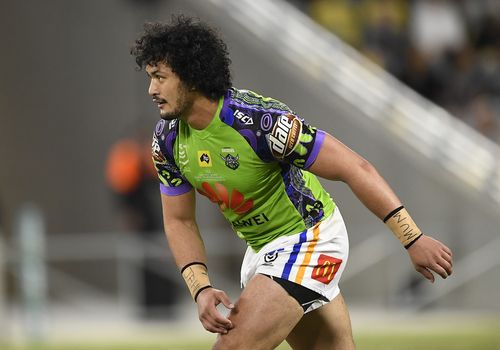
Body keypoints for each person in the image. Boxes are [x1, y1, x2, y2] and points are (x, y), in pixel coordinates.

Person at [130, 16, 453, 350]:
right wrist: (200, 287)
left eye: (160, 77)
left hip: (310, 240)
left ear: (192, 77)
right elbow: (179, 220)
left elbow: (355, 168)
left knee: (233, 347)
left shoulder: (261, 124)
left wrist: (412, 238)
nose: (152, 90)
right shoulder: (167, 140)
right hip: (262, 251)